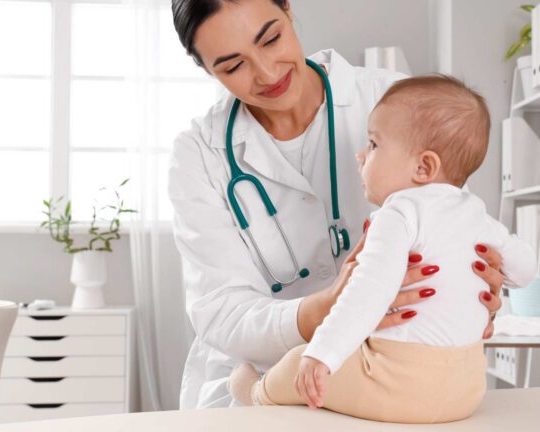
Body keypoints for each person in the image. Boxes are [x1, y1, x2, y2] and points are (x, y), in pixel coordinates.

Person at [169, 0, 506, 409]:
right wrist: (325, 310)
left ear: (288, 9)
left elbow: (451, 218)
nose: (267, 73)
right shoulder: (199, 154)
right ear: (204, 67)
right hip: (258, 379)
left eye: (271, 38)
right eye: (232, 66)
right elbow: (222, 313)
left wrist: (473, 278)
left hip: (391, 362)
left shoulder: (391, 100)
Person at [227, 75, 537, 423]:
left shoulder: (398, 213)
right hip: (467, 389)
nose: (361, 155)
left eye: (373, 145)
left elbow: (367, 291)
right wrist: (498, 271)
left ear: (424, 167)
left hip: (398, 387)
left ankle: (256, 392)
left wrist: (323, 353)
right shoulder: (475, 212)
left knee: (298, 361)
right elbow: (526, 270)